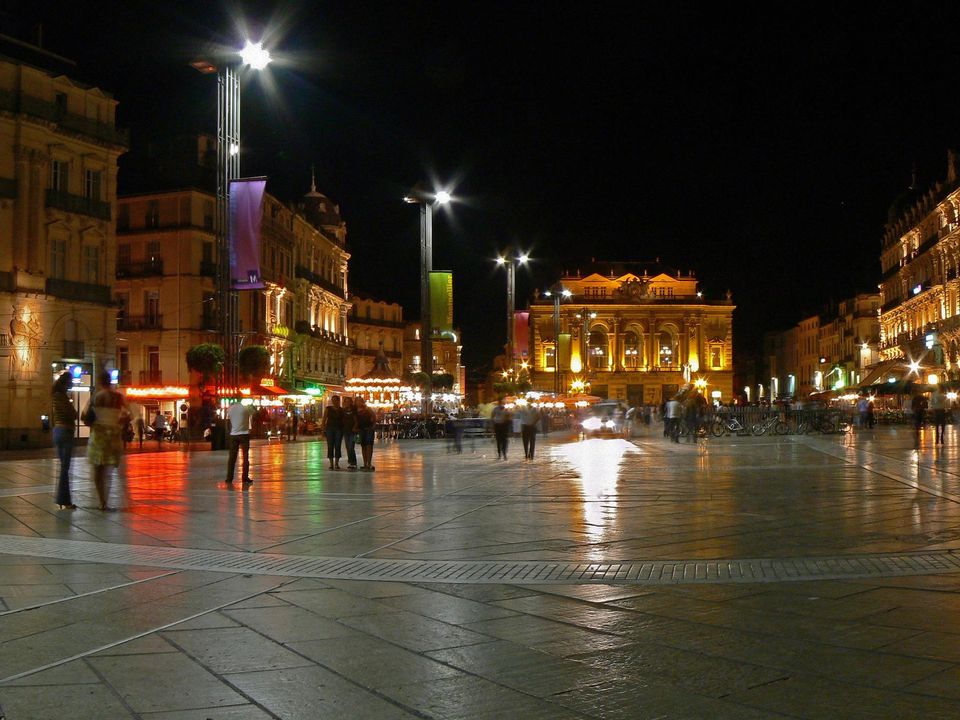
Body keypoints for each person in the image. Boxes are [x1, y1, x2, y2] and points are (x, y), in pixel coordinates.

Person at [85, 369, 129, 511]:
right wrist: (118, 422)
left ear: (100, 381)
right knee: (109, 471)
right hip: (113, 435)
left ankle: (102, 501)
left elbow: (84, 415)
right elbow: (130, 414)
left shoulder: (96, 397)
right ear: (110, 381)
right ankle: (107, 500)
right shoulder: (118, 397)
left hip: (98, 435)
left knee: (98, 470)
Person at [51, 371, 78, 510]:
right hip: (65, 431)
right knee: (65, 468)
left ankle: (63, 499)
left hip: (58, 431)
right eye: (70, 381)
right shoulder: (60, 396)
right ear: (66, 382)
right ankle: (63, 500)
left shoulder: (57, 396)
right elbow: (73, 414)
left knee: (64, 467)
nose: (72, 383)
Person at [226, 399, 255, 484]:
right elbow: (254, 412)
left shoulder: (230, 409)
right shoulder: (245, 408)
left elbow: (228, 422)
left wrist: (230, 432)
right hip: (244, 434)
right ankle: (245, 477)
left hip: (233, 435)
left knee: (232, 457)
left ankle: (229, 478)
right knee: (245, 457)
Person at [322, 396, 343, 469]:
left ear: (338, 401)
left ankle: (336, 463)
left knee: (338, 446)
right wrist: (323, 429)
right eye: (333, 400)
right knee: (330, 446)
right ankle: (331, 464)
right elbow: (324, 419)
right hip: (329, 428)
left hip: (338, 429)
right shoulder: (328, 409)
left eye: (335, 400)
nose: (334, 402)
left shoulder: (341, 410)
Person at [356, 397, 376, 471]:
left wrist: (373, 426)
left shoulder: (368, 409)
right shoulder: (356, 410)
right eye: (357, 401)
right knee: (363, 446)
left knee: (369, 446)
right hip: (361, 430)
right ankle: (365, 463)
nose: (358, 403)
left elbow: (374, 417)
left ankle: (369, 463)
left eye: (360, 401)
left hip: (369, 429)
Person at [342, 396, 359, 469]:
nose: (347, 403)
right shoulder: (343, 411)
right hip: (346, 431)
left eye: (348, 401)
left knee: (351, 447)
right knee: (347, 447)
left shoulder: (354, 410)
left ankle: (353, 462)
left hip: (353, 431)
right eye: (346, 401)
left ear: (351, 402)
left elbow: (356, 421)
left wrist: (355, 427)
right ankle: (350, 462)